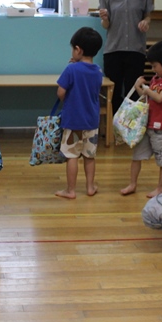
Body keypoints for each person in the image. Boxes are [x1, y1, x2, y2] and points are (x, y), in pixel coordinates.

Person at [122, 41, 162, 198]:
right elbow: (147, 98)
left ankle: (160, 188)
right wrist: (139, 88)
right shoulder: (156, 78)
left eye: (155, 66)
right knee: (137, 156)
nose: (153, 69)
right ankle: (132, 184)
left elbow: (160, 98)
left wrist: (147, 90)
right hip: (147, 125)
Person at [99, 0, 154, 116]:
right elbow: (106, 25)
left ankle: (132, 125)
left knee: (134, 90)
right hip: (114, 49)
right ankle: (114, 125)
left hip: (136, 49)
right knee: (114, 92)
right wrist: (105, 19)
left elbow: (148, 16)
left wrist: (146, 22)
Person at [55, 27, 105, 199]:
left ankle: (71, 190)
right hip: (91, 121)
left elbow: (60, 93)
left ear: (78, 50)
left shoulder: (71, 70)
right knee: (89, 156)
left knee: (72, 156)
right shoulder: (98, 71)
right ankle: (90, 187)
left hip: (73, 121)